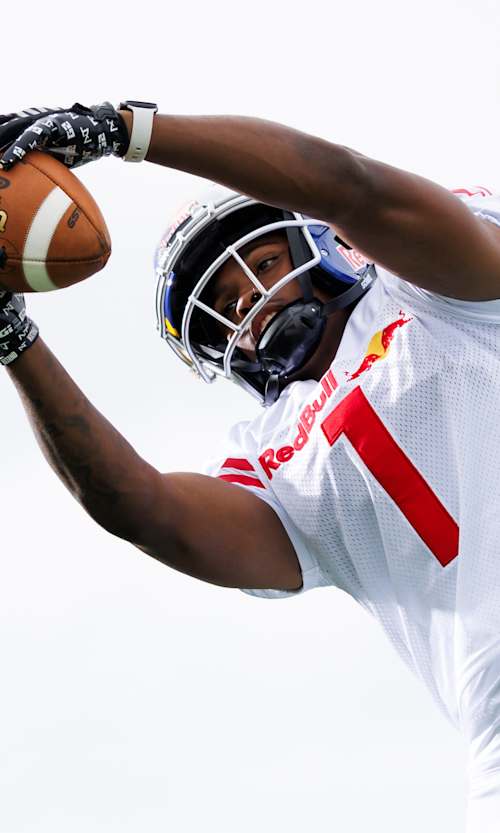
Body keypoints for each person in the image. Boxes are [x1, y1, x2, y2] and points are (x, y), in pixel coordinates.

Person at [1, 101, 500, 831]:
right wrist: (15, 339)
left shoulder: (431, 292)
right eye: (224, 304)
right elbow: (143, 507)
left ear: (318, 244)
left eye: (262, 264)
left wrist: (122, 128)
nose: (251, 304)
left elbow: (350, 185)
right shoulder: (272, 456)